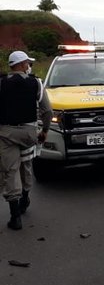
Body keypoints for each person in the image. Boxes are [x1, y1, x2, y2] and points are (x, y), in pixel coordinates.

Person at [0, 51, 52, 230]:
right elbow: (47, 111)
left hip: (6, 134)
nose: (29, 66)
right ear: (22, 65)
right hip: (29, 133)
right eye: (27, 63)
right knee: (26, 163)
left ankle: (15, 217)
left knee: (10, 170)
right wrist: (44, 130)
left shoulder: (1, 83)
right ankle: (25, 197)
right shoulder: (36, 82)